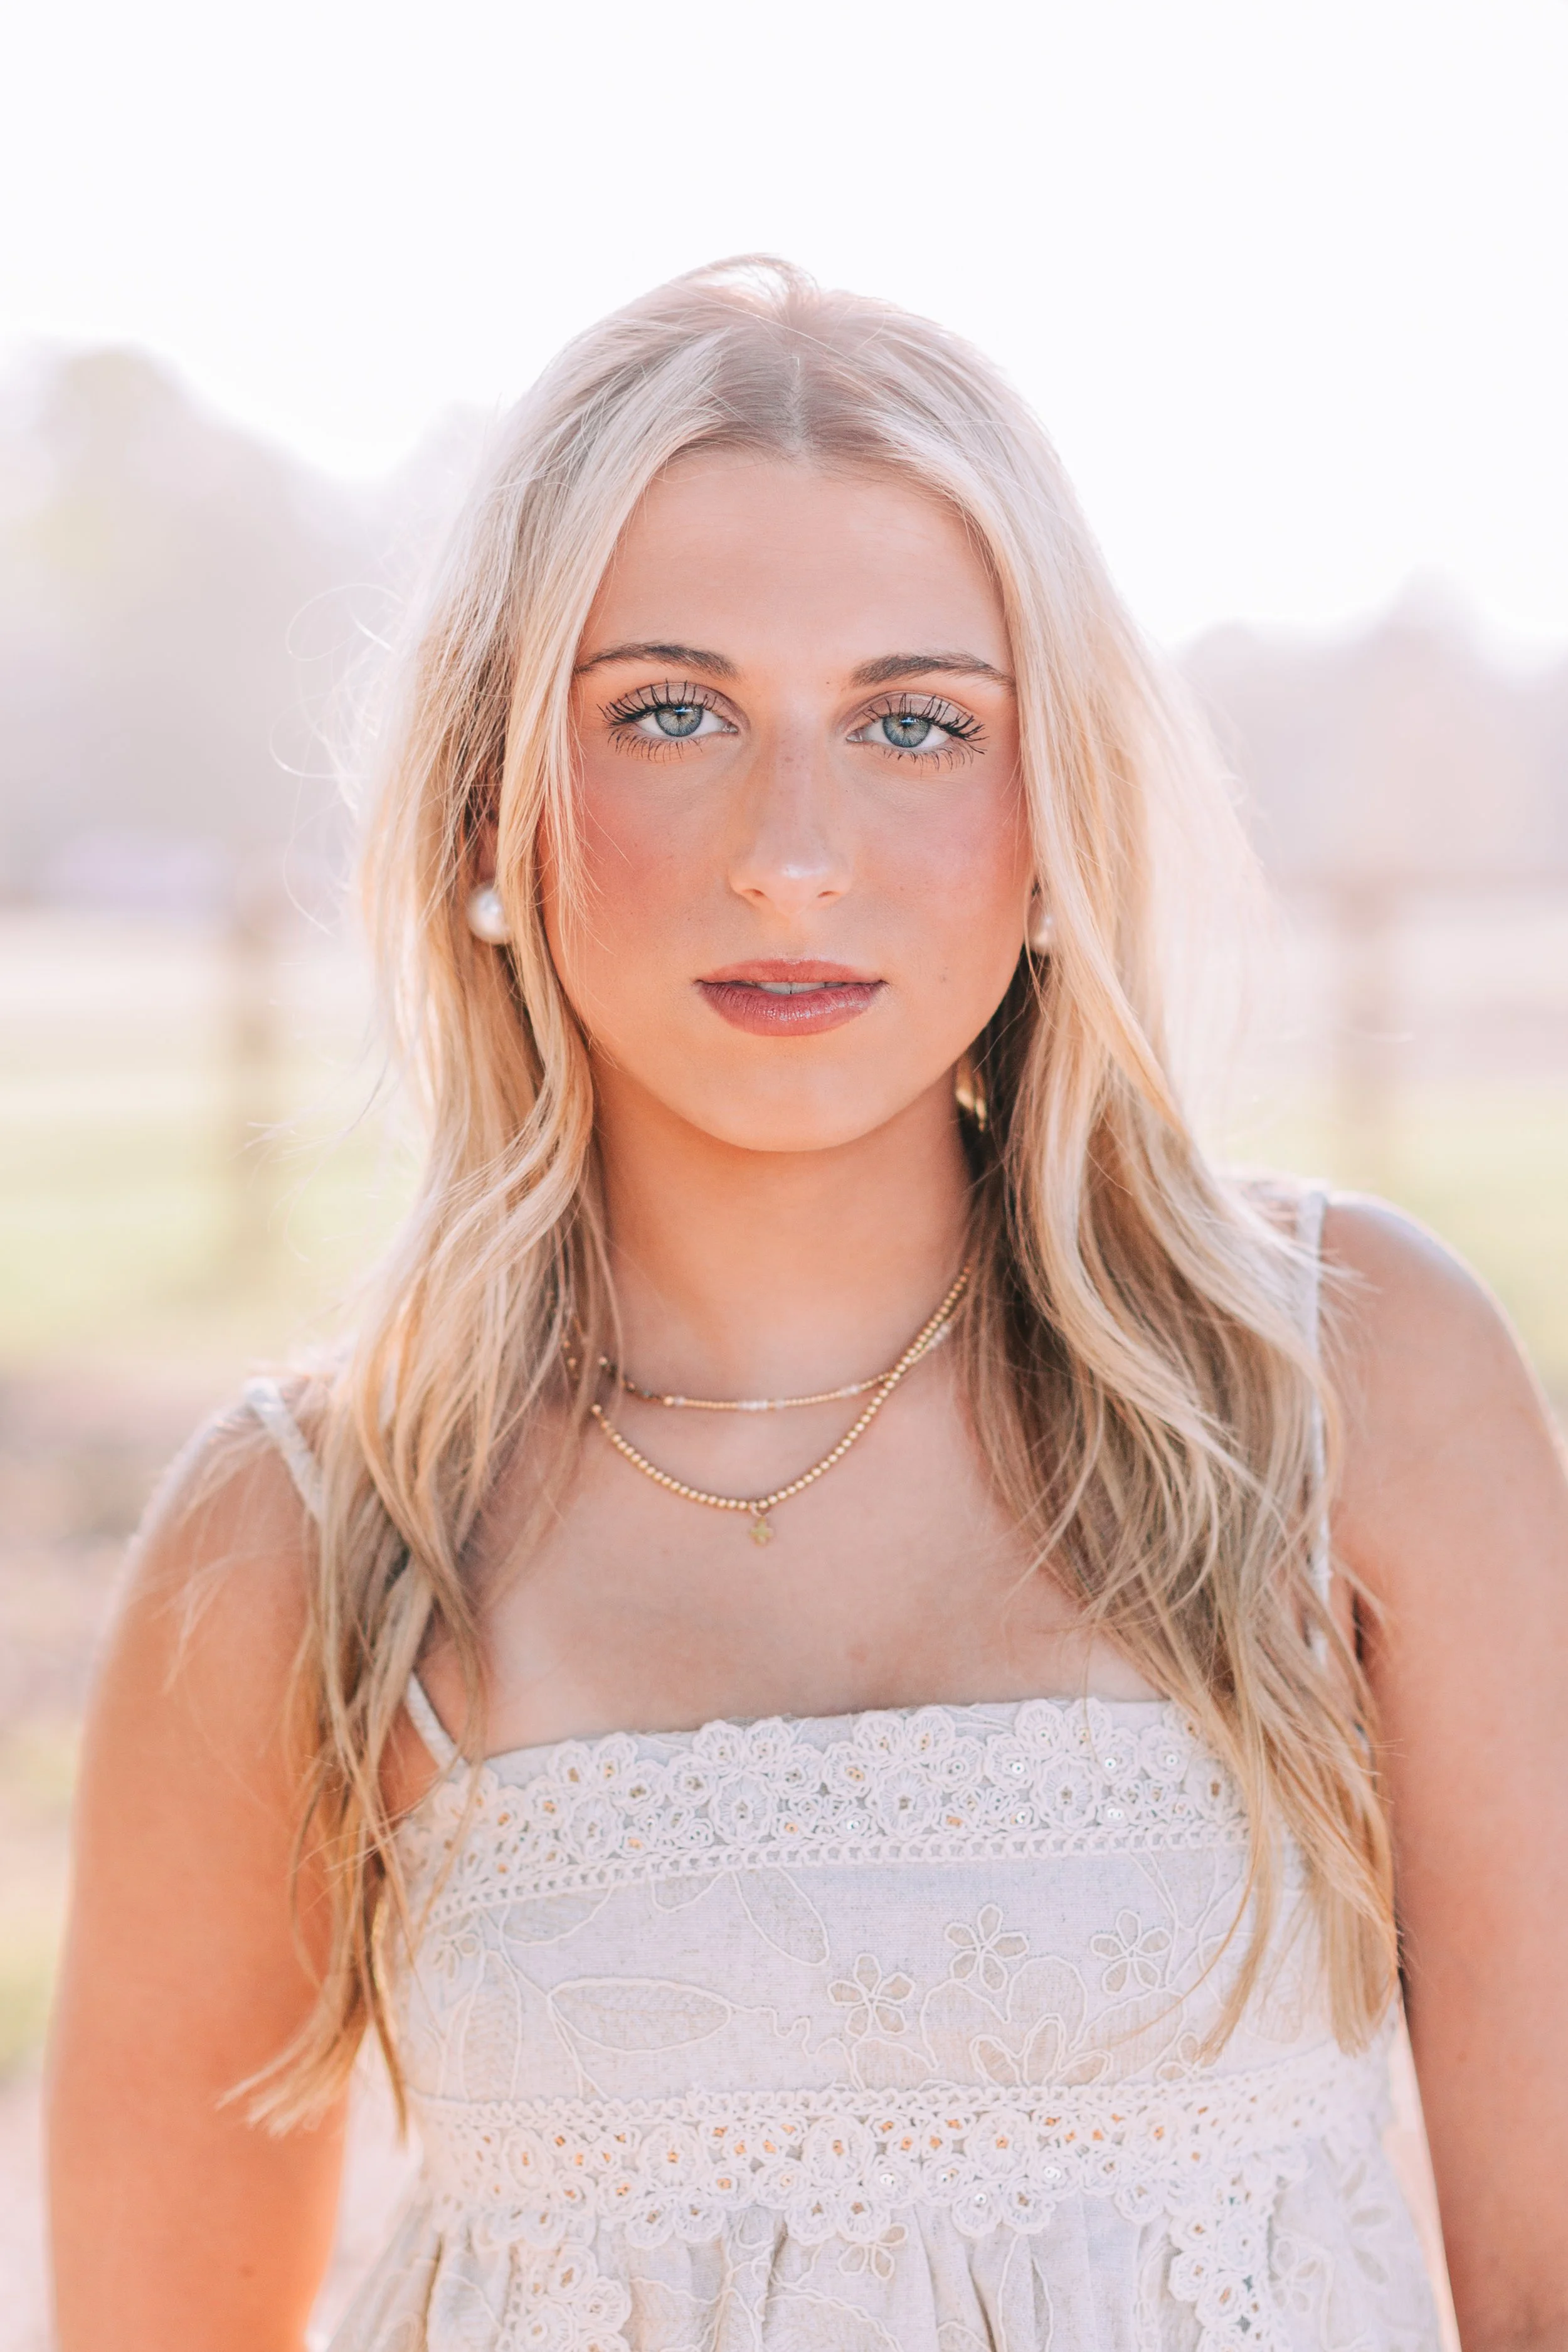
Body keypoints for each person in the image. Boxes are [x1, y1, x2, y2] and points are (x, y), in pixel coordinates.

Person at [46, 258, 1568, 2352]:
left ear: (1053, 815)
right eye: (669, 712)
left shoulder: (1347, 1373)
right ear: (493, 801)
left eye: (914, 722)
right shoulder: (307, 1531)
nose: (791, 853)